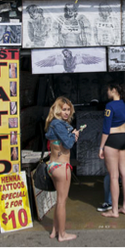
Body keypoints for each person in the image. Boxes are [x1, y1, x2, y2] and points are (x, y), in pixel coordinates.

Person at [44, 96, 80, 242]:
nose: (66, 112)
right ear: (58, 109)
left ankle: (55, 230)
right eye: (64, 109)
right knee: (61, 202)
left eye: (68, 110)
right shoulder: (58, 125)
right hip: (61, 166)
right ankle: (62, 234)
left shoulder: (54, 123)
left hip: (53, 165)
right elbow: (68, 144)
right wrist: (74, 136)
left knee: (58, 201)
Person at [99, 82, 125, 218]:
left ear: (114, 90)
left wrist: (101, 147)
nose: (107, 93)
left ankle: (114, 210)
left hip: (112, 140)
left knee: (114, 176)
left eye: (108, 90)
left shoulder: (110, 106)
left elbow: (106, 128)